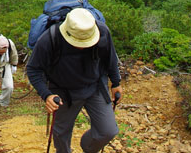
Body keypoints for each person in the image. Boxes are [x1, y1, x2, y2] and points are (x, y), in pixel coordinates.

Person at [26, 8, 122, 153]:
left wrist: (116, 82)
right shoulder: (50, 38)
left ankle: (88, 147)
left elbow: (110, 58)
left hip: (95, 87)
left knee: (108, 131)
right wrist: (47, 95)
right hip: (63, 91)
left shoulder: (102, 31)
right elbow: (33, 69)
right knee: (61, 134)